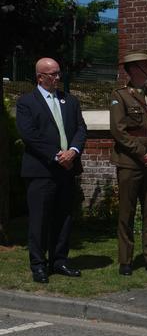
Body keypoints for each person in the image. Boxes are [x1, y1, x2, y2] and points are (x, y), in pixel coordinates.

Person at [16, 57, 87, 283]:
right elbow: (30, 135)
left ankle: (59, 260)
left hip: (67, 169)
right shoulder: (27, 102)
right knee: (39, 219)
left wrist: (73, 151)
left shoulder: (70, 101)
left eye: (58, 73)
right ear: (40, 77)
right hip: (41, 170)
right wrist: (58, 155)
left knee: (64, 217)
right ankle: (38, 264)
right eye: (53, 74)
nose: (58, 77)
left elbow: (80, 129)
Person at [110, 50, 147, 276]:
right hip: (130, 163)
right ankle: (126, 260)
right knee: (127, 212)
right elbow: (119, 131)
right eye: (146, 66)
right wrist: (143, 153)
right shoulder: (120, 95)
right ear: (135, 70)